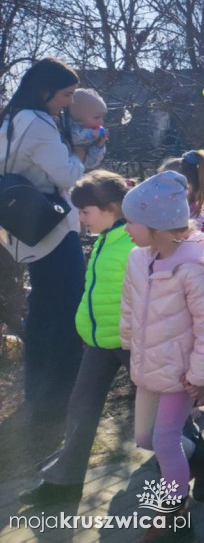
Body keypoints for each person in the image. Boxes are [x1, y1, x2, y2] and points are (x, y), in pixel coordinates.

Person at [119, 171, 204, 522]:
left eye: (131, 222)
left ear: (157, 226)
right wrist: (128, 343)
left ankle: (172, 512)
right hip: (149, 367)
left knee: (165, 441)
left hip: (182, 374)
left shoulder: (194, 270)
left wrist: (202, 376)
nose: (126, 229)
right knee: (145, 438)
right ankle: (201, 460)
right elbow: (129, 304)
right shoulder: (138, 258)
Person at [19, 171, 132, 506]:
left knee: (162, 421)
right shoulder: (104, 241)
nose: (80, 219)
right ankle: (63, 483)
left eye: (85, 212)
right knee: (81, 409)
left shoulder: (133, 242)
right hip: (99, 343)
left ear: (110, 208)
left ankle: (195, 457)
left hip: (130, 343)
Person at [0, 58, 86, 422]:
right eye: (65, 94)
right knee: (66, 308)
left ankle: (39, 391)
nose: (68, 102)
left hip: (22, 228)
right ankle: (62, 392)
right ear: (45, 89)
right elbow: (68, 176)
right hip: (51, 227)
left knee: (42, 309)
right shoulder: (38, 124)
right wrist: (81, 154)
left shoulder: (10, 119)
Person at [160, 150, 204, 236]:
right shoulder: (164, 216)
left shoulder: (202, 225)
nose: (157, 188)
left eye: (164, 184)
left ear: (187, 188)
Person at [68, 88, 109, 169]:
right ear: (76, 116)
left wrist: (98, 146)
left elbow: (91, 163)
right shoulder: (68, 128)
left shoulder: (93, 137)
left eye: (102, 118)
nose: (101, 122)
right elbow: (73, 137)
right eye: (96, 117)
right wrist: (92, 134)